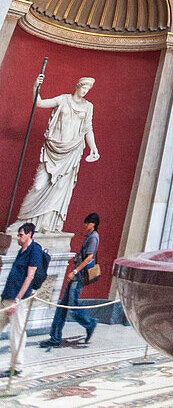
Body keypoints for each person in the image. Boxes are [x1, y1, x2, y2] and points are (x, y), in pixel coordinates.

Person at [14, 75, 99, 233]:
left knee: (60, 188)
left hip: (72, 151)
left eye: (88, 89)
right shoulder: (63, 99)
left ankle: (48, 225)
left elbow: (88, 129)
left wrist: (93, 147)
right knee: (38, 186)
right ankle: (22, 222)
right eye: (83, 87)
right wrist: (36, 87)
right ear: (77, 86)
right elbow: (38, 103)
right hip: (53, 149)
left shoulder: (88, 107)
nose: (85, 91)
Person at [41, 212, 100, 349]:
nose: (85, 225)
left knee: (72, 306)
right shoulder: (90, 237)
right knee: (62, 307)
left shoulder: (93, 237)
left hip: (78, 277)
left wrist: (75, 271)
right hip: (76, 276)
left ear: (94, 224)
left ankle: (90, 323)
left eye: (88, 223)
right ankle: (55, 337)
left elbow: (89, 258)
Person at [0, 222, 43, 377]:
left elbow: (29, 277)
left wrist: (17, 300)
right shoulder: (22, 250)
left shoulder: (35, 251)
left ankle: (16, 367)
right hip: (7, 296)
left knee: (16, 334)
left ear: (29, 234)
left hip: (18, 300)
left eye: (20, 235)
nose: (18, 238)